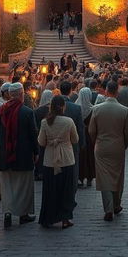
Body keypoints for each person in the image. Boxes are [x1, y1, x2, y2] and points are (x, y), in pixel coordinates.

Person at [0, 82, 39, 228]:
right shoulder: (27, 112)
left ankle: (7, 213)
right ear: (21, 95)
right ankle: (23, 214)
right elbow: (33, 135)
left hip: (6, 156)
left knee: (8, 187)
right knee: (24, 186)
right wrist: (36, 152)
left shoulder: (0, 111)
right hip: (23, 156)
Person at [89, 79, 128, 221]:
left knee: (104, 177)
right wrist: (123, 144)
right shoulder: (124, 110)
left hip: (101, 146)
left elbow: (92, 131)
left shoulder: (97, 109)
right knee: (117, 176)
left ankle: (108, 208)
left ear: (106, 91)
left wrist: (97, 141)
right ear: (117, 92)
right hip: (118, 146)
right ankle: (117, 204)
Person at [38, 95, 79, 228]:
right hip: (66, 159)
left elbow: (41, 142)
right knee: (66, 190)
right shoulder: (68, 121)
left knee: (50, 190)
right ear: (63, 106)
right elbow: (75, 140)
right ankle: (65, 218)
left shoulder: (45, 122)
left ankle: (48, 217)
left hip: (50, 160)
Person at [59, 80, 85, 193]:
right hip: (72, 143)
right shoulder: (76, 108)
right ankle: (71, 191)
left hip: (57, 144)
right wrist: (81, 143)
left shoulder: (53, 106)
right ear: (70, 91)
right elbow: (80, 128)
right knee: (73, 169)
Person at [77, 86, 96, 187]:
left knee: (80, 157)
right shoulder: (93, 109)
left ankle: (80, 177)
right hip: (89, 136)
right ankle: (89, 177)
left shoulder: (76, 107)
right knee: (89, 157)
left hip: (79, 136)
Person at [34, 89, 54, 181]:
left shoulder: (38, 111)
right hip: (51, 136)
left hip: (40, 135)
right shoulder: (53, 111)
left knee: (41, 153)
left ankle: (39, 172)